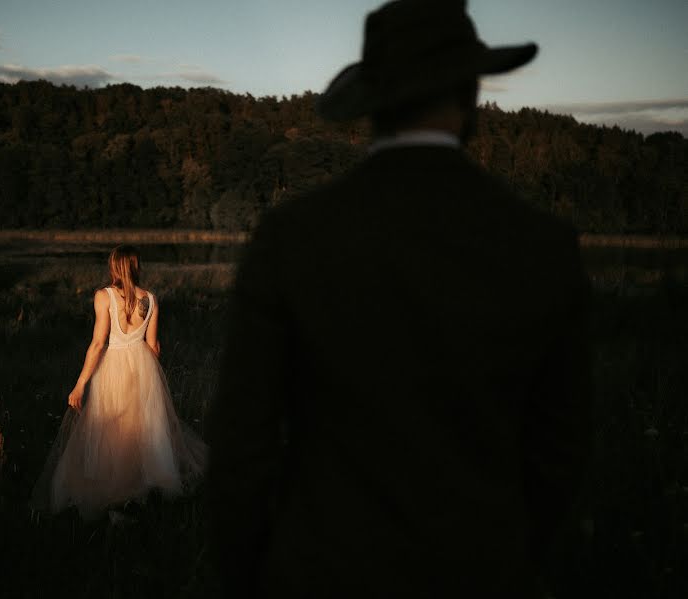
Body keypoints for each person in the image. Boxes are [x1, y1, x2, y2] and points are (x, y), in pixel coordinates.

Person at [207, 1, 593, 597]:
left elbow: (241, 445)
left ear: (373, 103)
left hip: (321, 573)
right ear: (471, 93)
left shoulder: (293, 235)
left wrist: (249, 575)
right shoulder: (543, 244)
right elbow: (560, 451)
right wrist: (506, 554)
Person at [31, 245, 206, 520]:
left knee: (112, 430)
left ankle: (115, 496)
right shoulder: (150, 299)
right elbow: (154, 347)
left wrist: (80, 384)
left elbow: (98, 343)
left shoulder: (104, 296)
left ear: (114, 267)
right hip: (143, 368)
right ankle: (140, 491)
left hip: (112, 368)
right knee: (142, 430)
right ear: (137, 267)